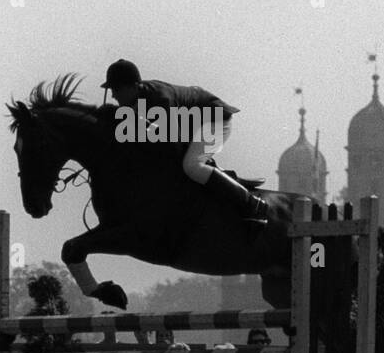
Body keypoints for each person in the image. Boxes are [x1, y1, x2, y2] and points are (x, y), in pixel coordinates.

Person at [100, 59, 266, 238]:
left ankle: (251, 204)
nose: (113, 96)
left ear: (133, 87)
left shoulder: (160, 99)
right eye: (111, 90)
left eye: (116, 90)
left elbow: (171, 142)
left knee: (192, 165)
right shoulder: (138, 99)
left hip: (216, 120)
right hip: (193, 123)